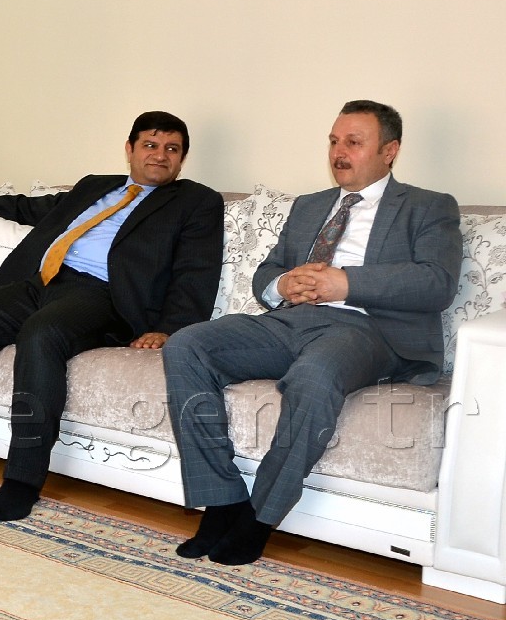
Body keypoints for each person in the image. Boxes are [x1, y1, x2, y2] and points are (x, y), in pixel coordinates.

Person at [0, 111, 224, 521]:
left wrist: (168, 328)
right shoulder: (96, 185)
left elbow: (196, 272)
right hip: (41, 283)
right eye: (150, 144)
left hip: (105, 297)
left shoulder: (196, 202)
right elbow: (35, 208)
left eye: (172, 149)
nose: (160, 155)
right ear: (130, 149)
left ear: (182, 159)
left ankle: (23, 479)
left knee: (41, 334)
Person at [163, 100, 462, 566]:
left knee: (315, 373)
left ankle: (259, 516)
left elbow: (436, 282)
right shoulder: (310, 206)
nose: (339, 152)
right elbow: (269, 271)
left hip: (368, 329)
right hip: (290, 321)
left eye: (354, 142)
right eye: (334, 141)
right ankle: (223, 501)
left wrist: (346, 283)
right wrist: (283, 284)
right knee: (187, 345)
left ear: (389, 151)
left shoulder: (428, 206)